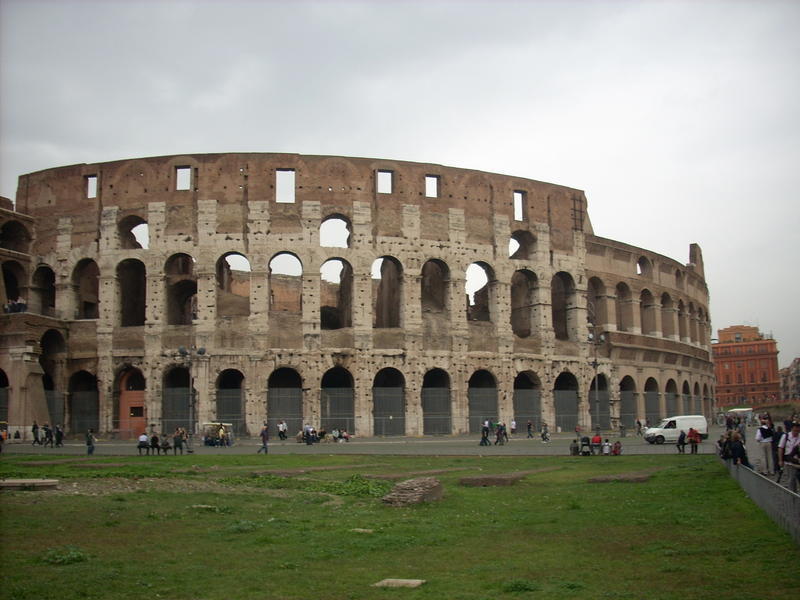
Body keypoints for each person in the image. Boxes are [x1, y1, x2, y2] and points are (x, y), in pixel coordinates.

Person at [777, 420, 800, 488]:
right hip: (789, 462)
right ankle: (792, 495)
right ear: (792, 428)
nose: (796, 432)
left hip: (798, 461)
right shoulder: (786, 436)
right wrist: (780, 460)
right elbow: (780, 448)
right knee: (791, 480)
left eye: (798, 430)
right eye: (795, 430)